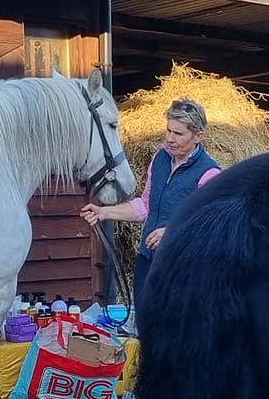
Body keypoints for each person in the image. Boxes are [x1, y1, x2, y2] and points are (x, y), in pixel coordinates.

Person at [81, 97, 220, 303]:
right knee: (144, 322)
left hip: (183, 267)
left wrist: (172, 232)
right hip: (149, 260)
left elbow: (210, 226)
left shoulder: (209, 173)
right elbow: (145, 206)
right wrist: (105, 212)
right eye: (169, 130)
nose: (170, 138)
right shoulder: (160, 159)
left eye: (179, 133)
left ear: (198, 136)